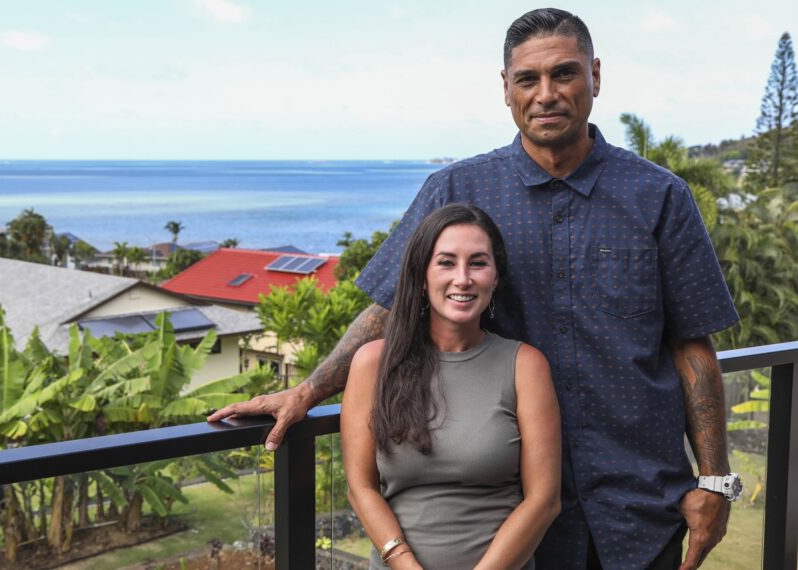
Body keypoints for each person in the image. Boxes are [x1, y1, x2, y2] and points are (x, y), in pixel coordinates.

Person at [210, 8, 741, 570]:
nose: (546, 94)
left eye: (564, 74)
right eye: (527, 79)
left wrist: (715, 480)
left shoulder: (659, 196)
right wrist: (308, 391)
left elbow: (692, 346)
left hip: (642, 504)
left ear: (596, 77)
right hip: (511, 518)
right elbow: (392, 306)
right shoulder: (458, 188)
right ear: (505, 89)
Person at [342, 204, 561, 569]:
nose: (463, 278)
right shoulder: (372, 364)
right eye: (446, 262)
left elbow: (544, 500)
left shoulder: (525, 365)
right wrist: (403, 563)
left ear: (495, 277)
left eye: (478, 263)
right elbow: (360, 488)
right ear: (421, 276)